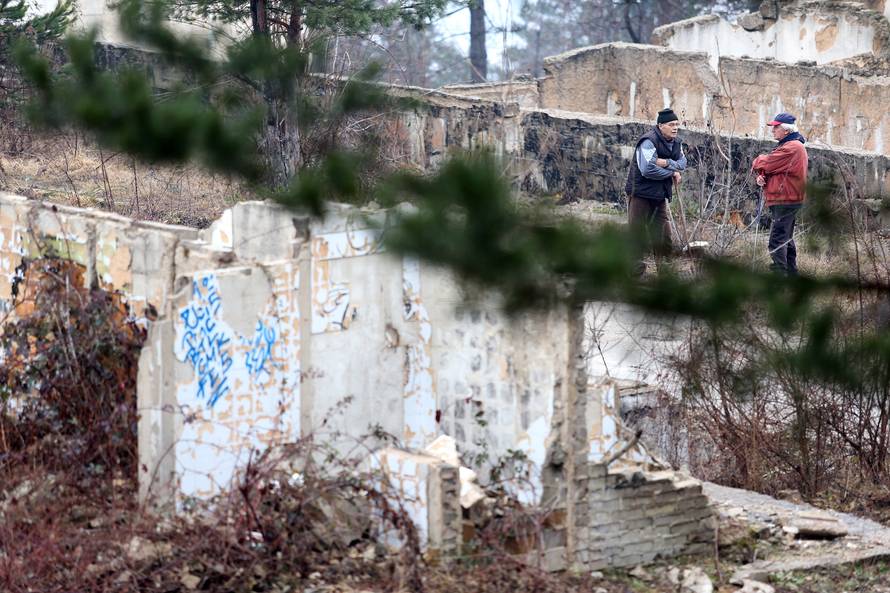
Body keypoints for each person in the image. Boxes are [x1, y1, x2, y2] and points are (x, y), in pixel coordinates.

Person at [625, 107, 687, 275]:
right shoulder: (648, 141)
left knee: (663, 235)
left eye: (676, 124)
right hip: (640, 194)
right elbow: (647, 170)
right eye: (671, 124)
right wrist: (672, 172)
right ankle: (634, 273)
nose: (675, 128)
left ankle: (665, 272)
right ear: (660, 126)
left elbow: (682, 164)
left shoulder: (677, 143)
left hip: (659, 196)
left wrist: (665, 163)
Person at [752, 112, 808, 276]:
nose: (773, 130)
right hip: (787, 198)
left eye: (776, 127)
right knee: (786, 238)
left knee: (777, 239)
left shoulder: (792, 147)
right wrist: (762, 176)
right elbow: (775, 168)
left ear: (786, 130)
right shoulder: (790, 145)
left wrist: (759, 163)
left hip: (786, 199)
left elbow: (766, 162)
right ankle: (791, 274)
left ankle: (780, 276)